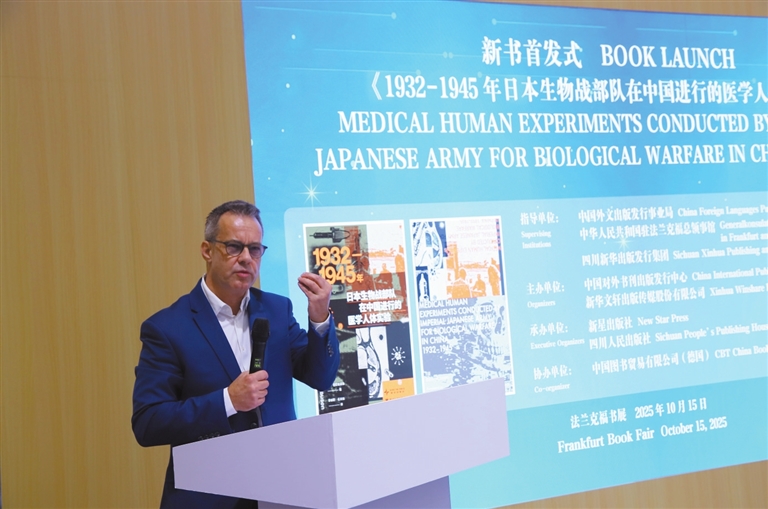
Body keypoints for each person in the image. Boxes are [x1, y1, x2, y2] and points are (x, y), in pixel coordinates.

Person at [132, 200, 340, 508]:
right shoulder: (167, 328)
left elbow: (320, 378)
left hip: (280, 491)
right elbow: (148, 423)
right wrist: (227, 400)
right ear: (207, 250)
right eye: (233, 247)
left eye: (254, 249)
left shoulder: (277, 310)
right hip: (209, 496)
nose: (246, 258)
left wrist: (320, 317)